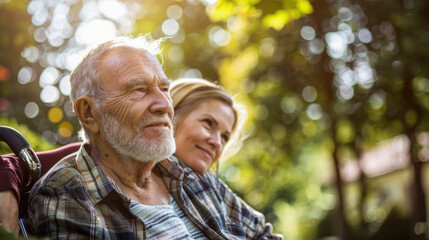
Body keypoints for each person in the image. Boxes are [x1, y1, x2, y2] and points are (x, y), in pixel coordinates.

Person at [0, 35, 282, 239]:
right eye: (138, 89)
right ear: (88, 113)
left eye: (164, 88)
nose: (163, 104)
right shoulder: (66, 194)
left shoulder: (191, 175)